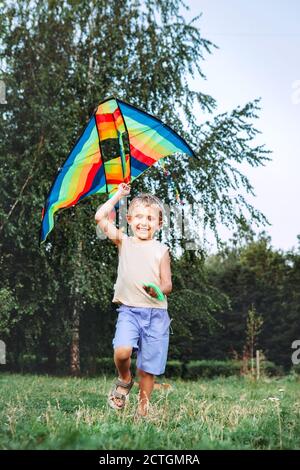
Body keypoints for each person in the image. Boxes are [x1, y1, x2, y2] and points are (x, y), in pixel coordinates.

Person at [95, 183, 172, 417]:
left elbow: (167, 284)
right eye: (138, 216)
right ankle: (124, 379)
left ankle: (143, 410)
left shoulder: (161, 250)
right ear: (128, 219)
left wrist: (157, 290)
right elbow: (100, 216)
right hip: (129, 311)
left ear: (159, 224)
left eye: (150, 218)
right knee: (122, 352)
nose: (144, 222)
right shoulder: (124, 242)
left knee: (148, 369)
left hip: (156, 315)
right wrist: (119, 195)